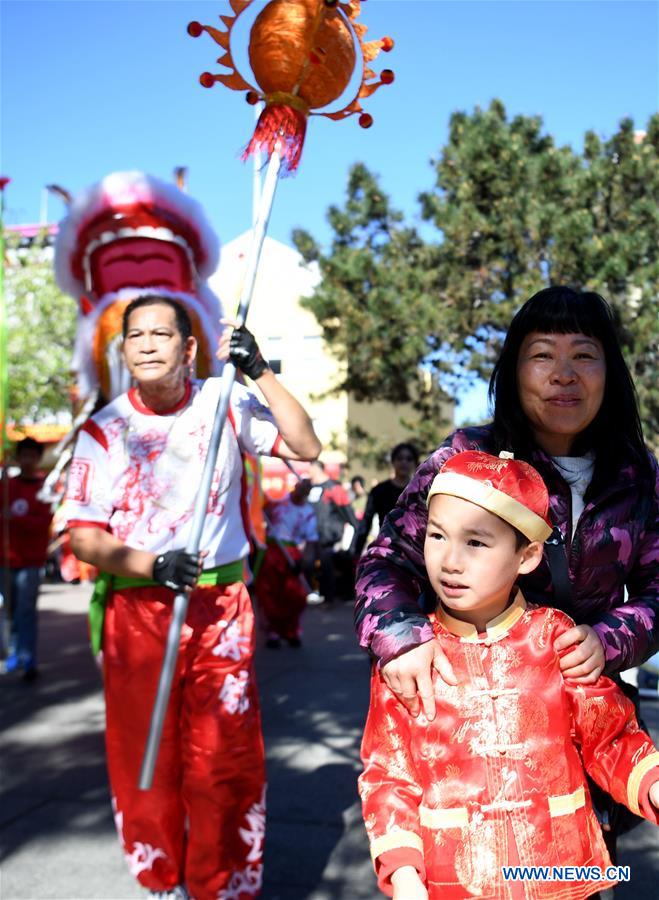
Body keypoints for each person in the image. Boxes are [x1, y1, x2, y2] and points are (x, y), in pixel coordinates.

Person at [355, 286, 659, 859]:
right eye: (542, 354)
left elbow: (658, 589)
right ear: (515, 370)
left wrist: (608, 640)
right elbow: (388, 558)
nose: (563, 374)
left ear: (609, 370)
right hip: (465, 716)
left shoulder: (637, 472)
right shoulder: (468, 456)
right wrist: (401, 642)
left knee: (577, 863)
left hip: (585, 710)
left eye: (584, 355)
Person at [62, 295, 320, 900]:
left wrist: (259, 369)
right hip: (138, 609)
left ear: (190, 348)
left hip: (220, 607)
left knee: (222, 755)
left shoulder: (224, 400)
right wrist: (150, 562)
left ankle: (222, 883)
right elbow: (83, 538)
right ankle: (163, 878)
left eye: (162, 333)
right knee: (147, 754)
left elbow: (305, 446)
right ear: (123, 351)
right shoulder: (105, 428)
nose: (148, 344)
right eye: (136, 336)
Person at [359, 450, 659, 900]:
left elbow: (610, 738)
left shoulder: (556, 640)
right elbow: (389, 775)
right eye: (437, 536)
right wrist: (403, 873)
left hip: (561, 875)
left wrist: (652, 785)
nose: (450, 560)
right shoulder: (412, 657)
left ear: (528, 555)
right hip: (453, 881)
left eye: (476, 542)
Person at [0, 437, 53, 681]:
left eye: (32, 456)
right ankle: (14, 651)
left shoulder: (44, 488)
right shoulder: (6, 485)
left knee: (26, 610)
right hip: (6, 560)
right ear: (18, 458)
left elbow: (43, 524)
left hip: (31, 561)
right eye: (24, 455)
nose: (28, 460)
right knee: (10, 610)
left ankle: (27, 656)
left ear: (37, 459)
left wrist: (16, 519)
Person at [255, 478, 318, 648]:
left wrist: (304, 561)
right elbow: (261, 510)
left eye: (307, 488)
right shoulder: (278, 502)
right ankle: (272, 632)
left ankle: (292, 630)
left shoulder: (308, 512)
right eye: (301, 486)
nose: (303, 490)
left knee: (295, 595)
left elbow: (311, 539)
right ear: (295, 486)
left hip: (292, 553)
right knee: (269, 593)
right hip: (272, 551)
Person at [352, 442, 420, 557]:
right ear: (393, 462)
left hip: (415, 552)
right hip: (386, 550)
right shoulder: (379, 491)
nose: (404, 462)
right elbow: (366, 523)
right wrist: (356, 553)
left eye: (409, 459)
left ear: (415, 463)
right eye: (400, 458)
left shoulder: (420, 491)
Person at [308, 459, 359, 603]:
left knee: (327, 566)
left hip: (331, 537)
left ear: (317, 469)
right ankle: (318, 594)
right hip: (312, 536)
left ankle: (330, 599)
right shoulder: (310, 488)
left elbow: (349, 514)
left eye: (310, 469)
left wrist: (353, 538)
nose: (308, 472)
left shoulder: (334, 488)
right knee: (309, 564)